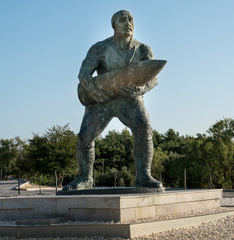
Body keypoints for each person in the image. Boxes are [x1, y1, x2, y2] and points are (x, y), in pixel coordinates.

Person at [63, 10, 163, 191]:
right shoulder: (100, 48)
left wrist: (140, 89)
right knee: (84, 137)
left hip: (130, 99)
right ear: (114, 25)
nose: (128, 23)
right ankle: (84, 178)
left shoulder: (143, 50)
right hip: (102, 100)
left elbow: (152, 79)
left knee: (143, 126)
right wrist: (94, 92)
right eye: (122, 20)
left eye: (131, 20)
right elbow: (84, 74)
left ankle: (143, 175)